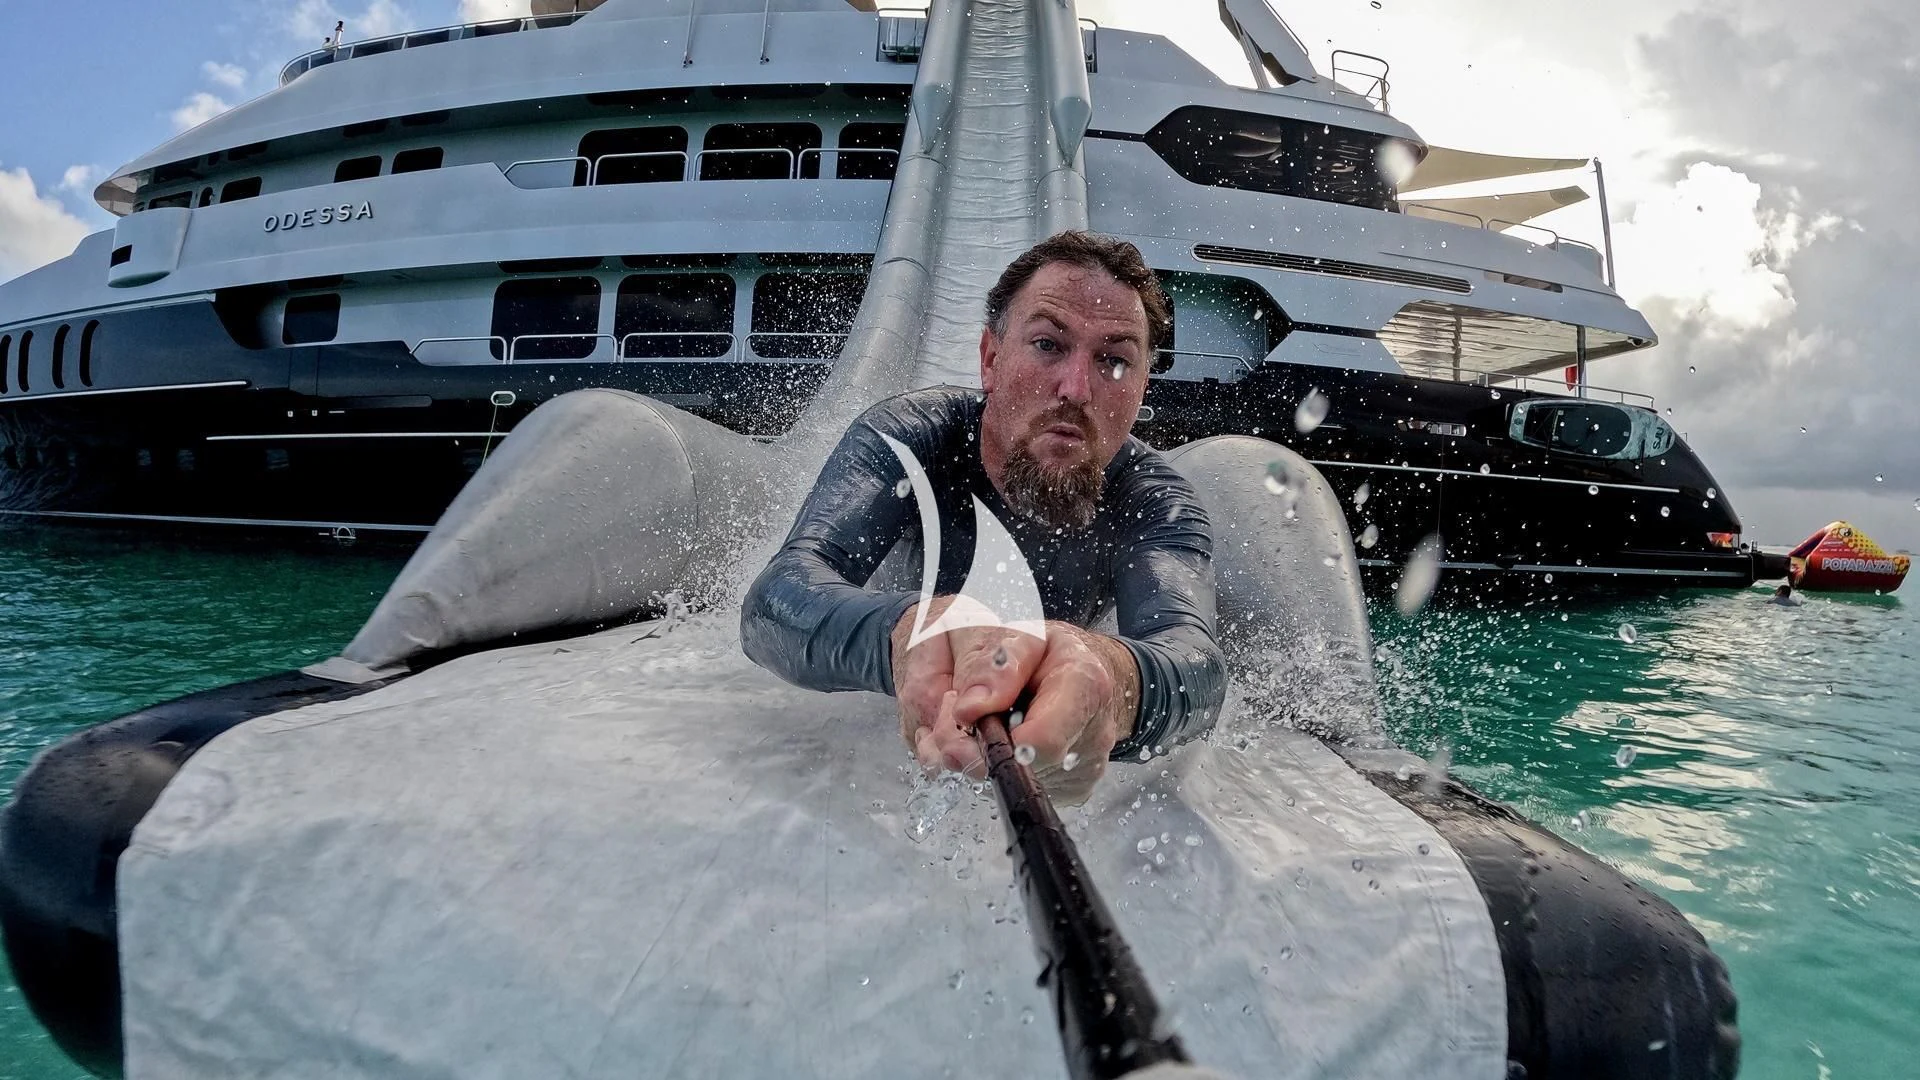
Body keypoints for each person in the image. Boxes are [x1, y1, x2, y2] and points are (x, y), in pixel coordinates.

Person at [741, 231, 1228, 802]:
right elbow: (775, 597)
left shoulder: (1155, 499)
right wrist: (905, 634)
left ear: (1142, 387)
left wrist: (1111, 677)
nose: (1076, 389)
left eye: (1115, 361)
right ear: (990, 360)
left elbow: (1195, 661)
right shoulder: (910, 440)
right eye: (1048, 345)